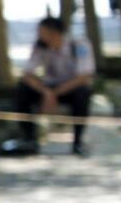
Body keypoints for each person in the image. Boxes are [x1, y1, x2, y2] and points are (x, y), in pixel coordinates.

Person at [6, 15, 94, 155]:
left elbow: (84, 76)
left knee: (83, 93)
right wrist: (46, 92)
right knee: (21, 90)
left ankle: (78, 141)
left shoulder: (78, 44)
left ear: (54, 33)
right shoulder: (40, 46)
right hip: (48, 87)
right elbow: (27, 74)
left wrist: (55, 93)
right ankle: (29, 138)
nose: (39, 35)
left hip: (70, 87)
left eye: (42, 32)